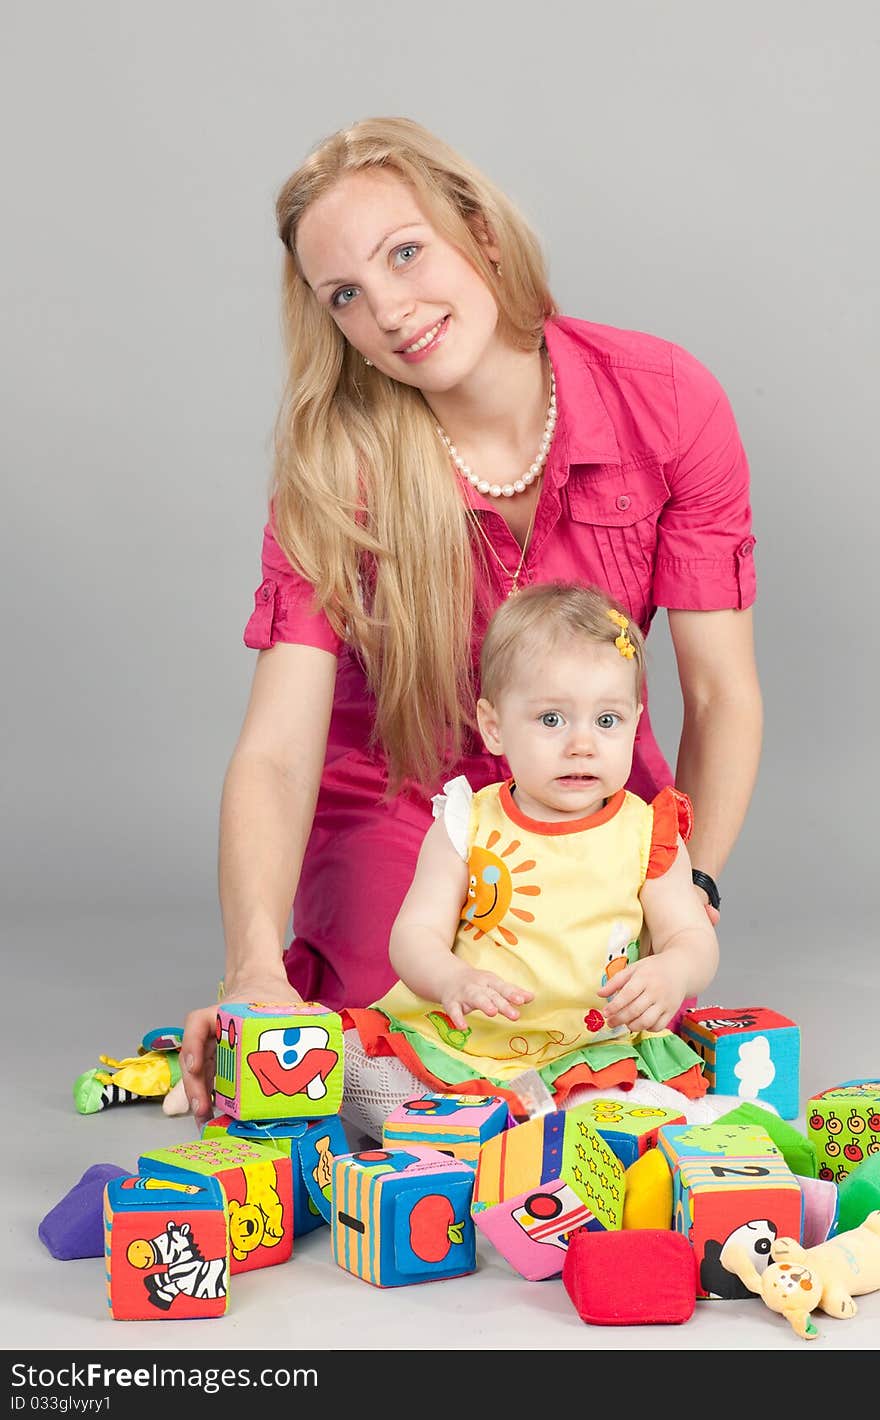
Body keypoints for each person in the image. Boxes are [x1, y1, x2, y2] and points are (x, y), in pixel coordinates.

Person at [180, 116, 762, 1128]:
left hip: (587, 785)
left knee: (613, 1045)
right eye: (347, 296)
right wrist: (251, 971)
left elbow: (720, 689)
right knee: (389, 1037)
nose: (391, 311)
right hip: (403, 794)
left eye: (405, 253)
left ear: (480, 232)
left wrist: (685, 898)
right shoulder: (335, 465)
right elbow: (275, 750)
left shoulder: (664, 401)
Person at [339, 583, 717, 1136]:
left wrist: (673, 969)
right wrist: (451, 978)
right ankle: (482, 1130)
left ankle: (525, 1133)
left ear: (635, 722)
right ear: (494, 727)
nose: (581, 744)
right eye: (551, 720)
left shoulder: (646, 830)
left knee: (658, 1115)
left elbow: (691, 935)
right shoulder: (466, 823)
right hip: (467, 1044)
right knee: (348, 1067)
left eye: (606, 721)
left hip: (587, 1051)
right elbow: (413, 934)